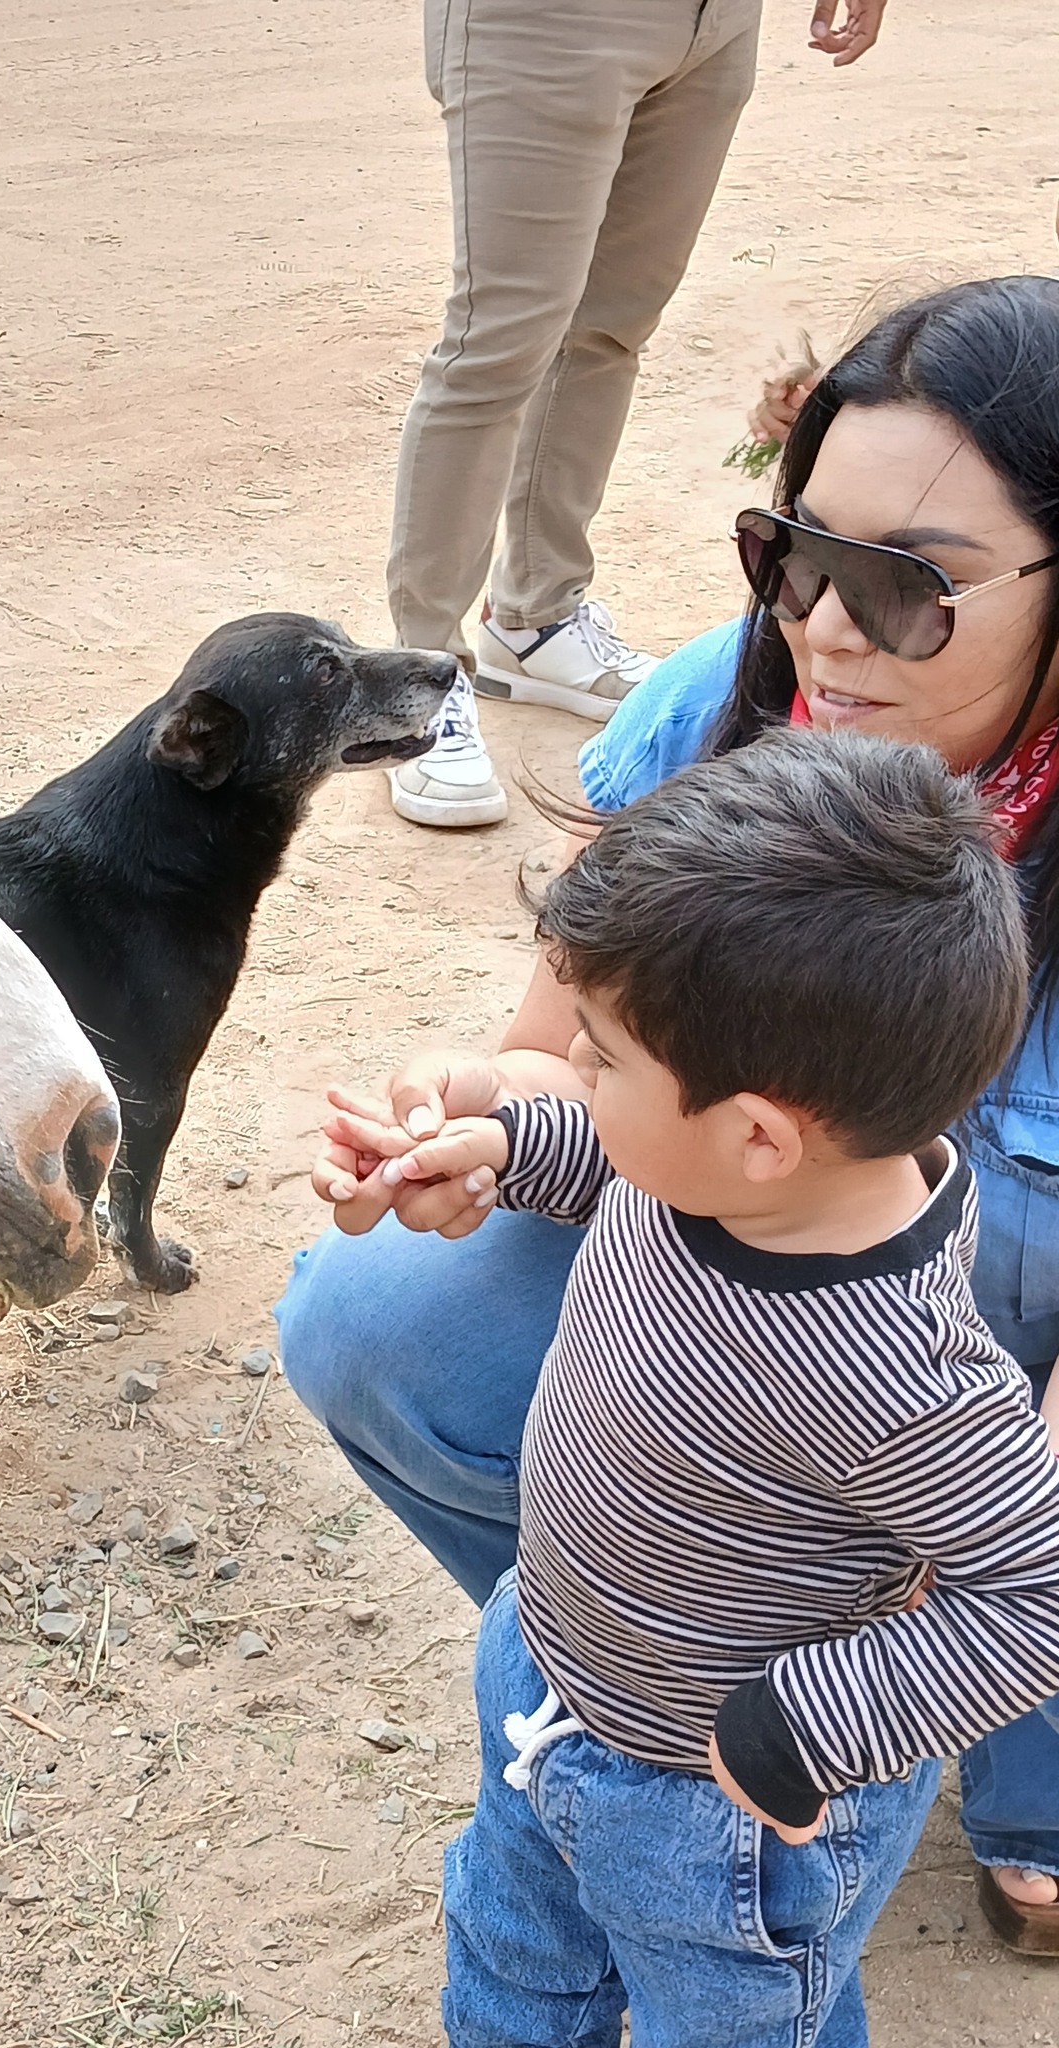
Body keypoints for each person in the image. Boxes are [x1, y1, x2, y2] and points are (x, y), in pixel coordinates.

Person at [277, 274, 1059, 1952]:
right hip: (776, 1321)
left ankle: (984, 1746)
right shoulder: (728, 696)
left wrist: (946, 1625)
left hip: (1007, 1420)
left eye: (904, 585)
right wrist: (478, 1121)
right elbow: (568, 1052)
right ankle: (663, 1663)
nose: (824, 631)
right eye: (792, 555)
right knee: (370, 1318)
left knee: (1016, 1605)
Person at [332, 731, 1059, 2046]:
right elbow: (618, 1164)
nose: (578, 1072)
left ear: (760, 1135)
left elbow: (1032, 1592)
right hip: (551, 1666)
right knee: (508, 1972)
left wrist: (809, 1723)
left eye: (600, 1058)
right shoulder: (728, 1172)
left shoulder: (897, 1372)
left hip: (723, 1810)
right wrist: (499, 1139)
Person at [385, 0, 889, 830]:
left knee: (610, 327)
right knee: (499, 341)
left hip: (714, 21)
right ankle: (419, 678)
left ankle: (537, 619)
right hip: (551, 19)